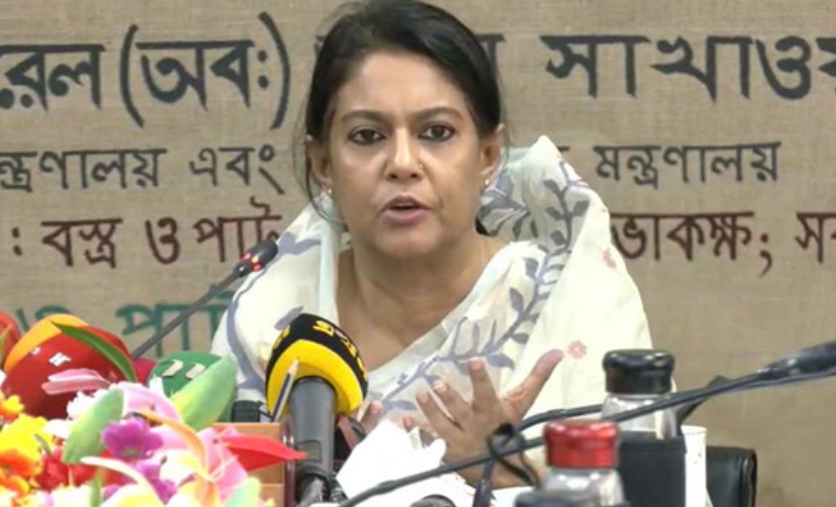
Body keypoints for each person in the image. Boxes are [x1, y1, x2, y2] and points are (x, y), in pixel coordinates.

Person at [211, 0, 652, 487]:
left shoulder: (572, 300)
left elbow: (658, 492)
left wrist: (509, 475)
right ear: (324, 165)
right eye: (367, 136)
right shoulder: (268, 319)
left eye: (437, 132)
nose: (403, 163)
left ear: (488, 156)